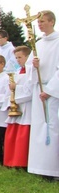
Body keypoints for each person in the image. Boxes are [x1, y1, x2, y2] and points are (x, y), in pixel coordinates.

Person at [28, 10, 59, 179]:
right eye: (38, 22)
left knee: (52, 127)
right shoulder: (38, 44)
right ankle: (40, 167)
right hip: (38, 89)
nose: (40, 25)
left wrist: (49, 90)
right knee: (40, 127)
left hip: (52, 91)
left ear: (52, 22)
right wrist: (34, 66)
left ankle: (54, 169)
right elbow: (29, 71)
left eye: (43, 22)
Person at [4, 46, 32, 168]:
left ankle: (22, 162)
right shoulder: (17, 72)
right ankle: (11, 160)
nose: (18, 60)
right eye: (16, 58)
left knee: (23, 136)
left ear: (28, 57)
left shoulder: (31, 72)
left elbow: (31, 91)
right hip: (16, 105)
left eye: (20, 57)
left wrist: (16, 88)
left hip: (27, 107)